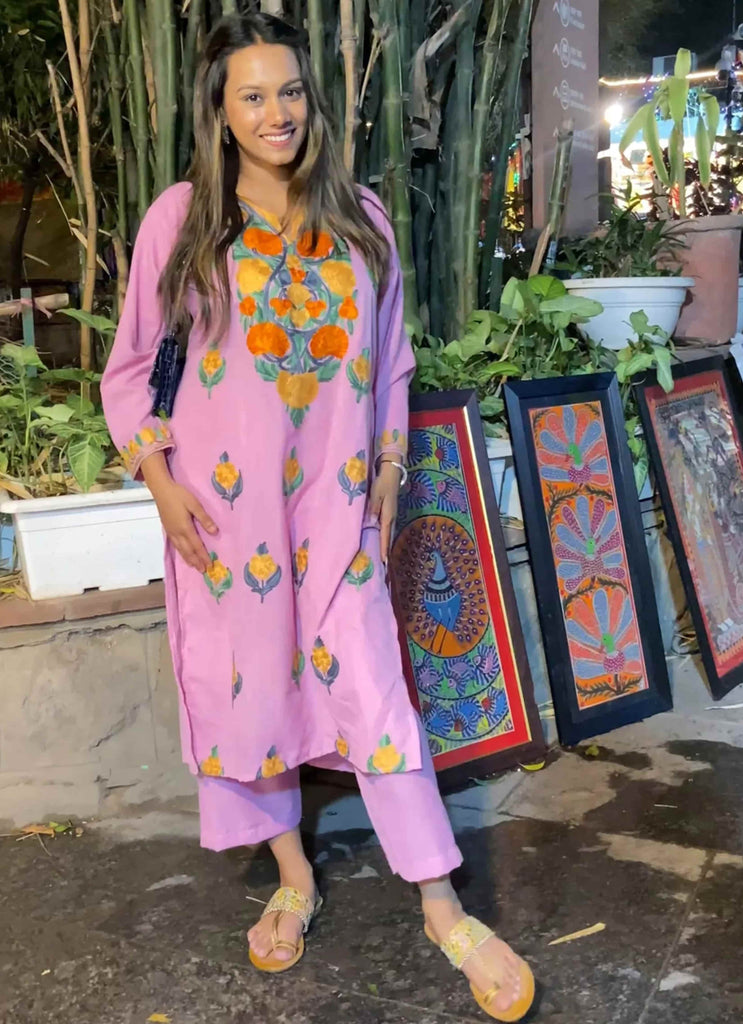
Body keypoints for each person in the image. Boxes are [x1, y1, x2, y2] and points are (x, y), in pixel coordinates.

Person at [101, 13, 535, 1021]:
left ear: (312, 98)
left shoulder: (361, 219)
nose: (276, 113)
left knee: (376, 696)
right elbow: (137, 367)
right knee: (250, 696)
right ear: (218, 111)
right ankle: (293, 874)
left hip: (337, 513)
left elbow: (391, 364)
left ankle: (440, 902)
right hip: (226, 516)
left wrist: (388, 467)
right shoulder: (183, 220)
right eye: (251, 95)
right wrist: (160, 482)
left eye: (289, 90)